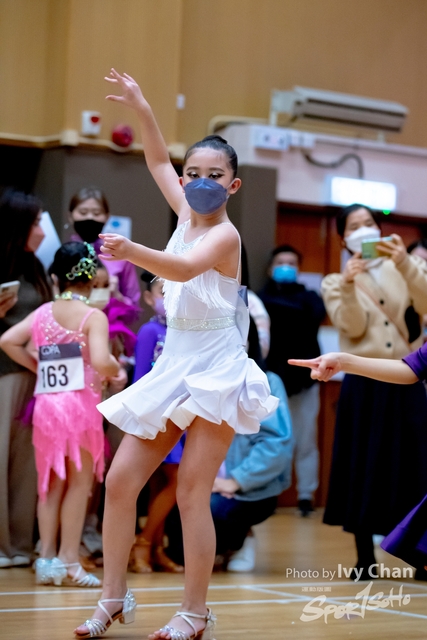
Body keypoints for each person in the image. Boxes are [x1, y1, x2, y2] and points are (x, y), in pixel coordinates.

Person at [73, 68, 278, 640]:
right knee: (120, 482)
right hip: (175, 367)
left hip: (217, 370)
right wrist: (142, 107)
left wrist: (131, 249)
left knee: (191, 491)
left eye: (215, 175)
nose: (200, 182)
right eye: (193, 173)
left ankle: (194, 611)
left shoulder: (226, 236)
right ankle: (112, 597)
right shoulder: (185, 212)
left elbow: (183, 269)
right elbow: (158, 159)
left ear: (234, 185)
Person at [0, 242, 124, 587]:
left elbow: (8, 340)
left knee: (50, 483)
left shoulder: (43, 313)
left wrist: (36, 365)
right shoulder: (92, 316)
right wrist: (115, 369)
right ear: (92, 279)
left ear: (56, 277)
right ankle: (69, 559)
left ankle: (46, 559)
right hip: (80, 408)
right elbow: (100, 360)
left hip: (48, 406)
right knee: (80, 482)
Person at [318, 203, 427, 580]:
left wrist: (405, 263)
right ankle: (364, 557)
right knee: (360, 465)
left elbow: (426, 303)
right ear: (343, 238)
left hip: (406, 376)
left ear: (380, 229)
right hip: (363, 383)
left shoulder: (405, 266)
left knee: (415, 466)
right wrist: (349, 284)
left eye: (369, 223)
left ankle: (419, 555)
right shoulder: (334, 282)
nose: (363, 230)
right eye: (354, 226)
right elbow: (352, 326)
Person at [289, 343, 427, 576]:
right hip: (369, 389)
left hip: (405, 399)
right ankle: (366, 556)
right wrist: (342, 361)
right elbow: (413, 367)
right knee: (364, 469)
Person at [0, 189, 51, 569]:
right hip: (4, 376)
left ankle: (19, 544)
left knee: (26, 463)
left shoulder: (35, 268)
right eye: (35, 222)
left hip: (35, 375)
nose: (42, 230)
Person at [258, 244, 325, 516]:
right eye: (281, 262)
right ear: (270, 268)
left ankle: (306, 495)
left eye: (292, 263)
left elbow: (316, 315)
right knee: (269, 438)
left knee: (306, 440)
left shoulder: (311, 298)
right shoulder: (259, 298)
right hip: (271, 381)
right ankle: (267, 494)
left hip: (306, 380)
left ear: (299, 269)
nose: (286, 267)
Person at [130, 270, 184, 574]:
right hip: (157, 416)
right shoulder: (149, 332)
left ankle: (155, 549)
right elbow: (140, 377)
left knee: (163, 484)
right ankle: (143, 542)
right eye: (162, 292)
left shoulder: (185, 331)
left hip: (182, 415)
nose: (169, 298)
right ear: (149, 299)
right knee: (176, 480)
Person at [69, 187, 141, 308]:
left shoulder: (120, 253)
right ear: (70, 216)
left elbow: (135, 308)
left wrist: (117, 296)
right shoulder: (63, 254)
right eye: (83, 212)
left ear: (107, 217)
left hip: (110, 319)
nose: (90, 217)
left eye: (97, 213)